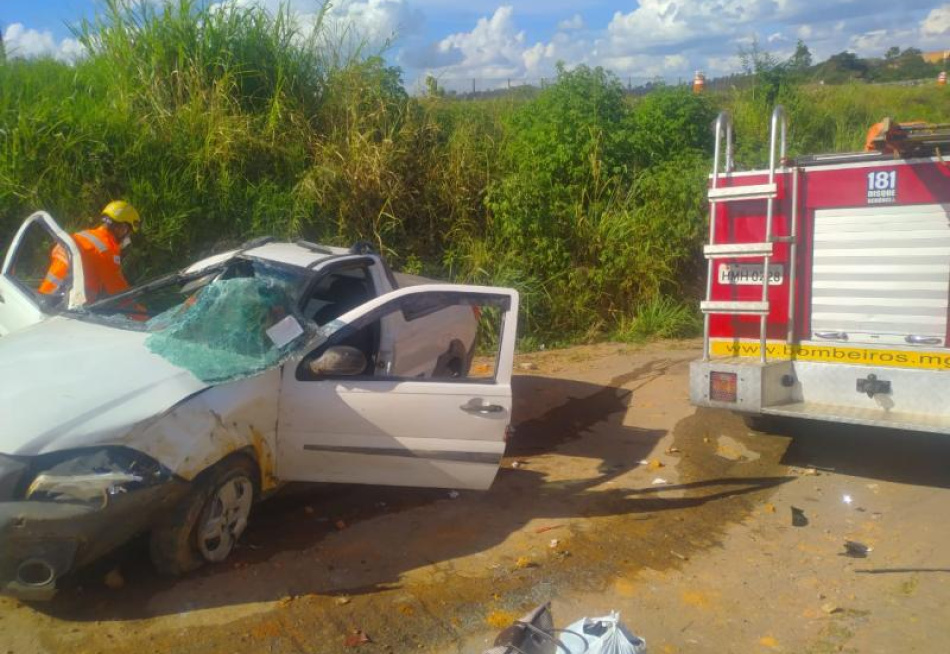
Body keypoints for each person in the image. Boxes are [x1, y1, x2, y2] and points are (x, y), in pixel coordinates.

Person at [38, 200, 141, 303]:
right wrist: (142, 316)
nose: (128, 237)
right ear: (122, 228)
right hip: (64, 309)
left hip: (43, 298)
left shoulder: (82, 236)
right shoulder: (106, 251)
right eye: (129, 232)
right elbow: (120, 294)